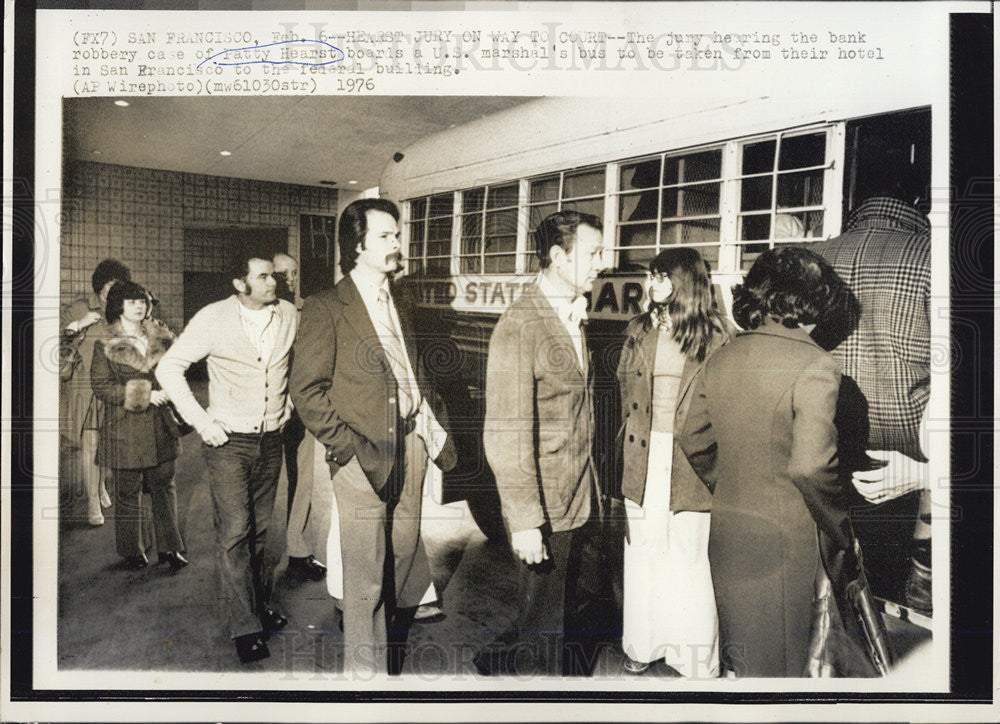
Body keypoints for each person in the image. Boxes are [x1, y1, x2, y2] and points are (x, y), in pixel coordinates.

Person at [289, 198, 457, 675]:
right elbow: (307, 391)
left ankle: (385, 649)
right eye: (386, 236)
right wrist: (345, 449)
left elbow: (410, 368)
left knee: (402, 555)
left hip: (411, 445)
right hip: (361, 454)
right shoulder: (326, 307)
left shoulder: (399, 301)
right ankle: (364, 681)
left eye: (397, 234)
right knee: (365, 575)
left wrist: (425, 423)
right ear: (357, 245)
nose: (398, 244)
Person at [678, 246, 856, 677]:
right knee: (784, 675)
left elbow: (691, 436)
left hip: (729, 534)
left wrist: (736, 483)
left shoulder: (723, 356)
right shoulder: (816, 364)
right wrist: (841, 526)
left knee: (746, 663)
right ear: (813, 302)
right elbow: (810, 467)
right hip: (788, 547)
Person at [476, 210, 606, 676]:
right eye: (592, 253)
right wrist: (526, 522)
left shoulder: (569, 312)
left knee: (563, 615)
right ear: (557, 256)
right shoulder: (521, 324)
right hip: (546, 506)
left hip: (575, 497)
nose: (600, 263)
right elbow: (506, 433)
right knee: (544, 627)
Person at [156, 248, 298, 664]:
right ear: (241, 284)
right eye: (264, 276)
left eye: (275, 276)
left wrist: (287, 406)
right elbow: (169, 369)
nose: (274, 283)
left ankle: (257, 606)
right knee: (235, 533)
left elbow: (297, 363)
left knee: (260, 533)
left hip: (271, 440)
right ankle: (245, 627)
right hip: (227, 444)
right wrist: (202, 422)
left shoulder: (288, 314)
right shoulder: (213, 317)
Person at [615, 248, 734, 677]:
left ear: (685, 281)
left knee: (688, 556)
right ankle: (643, 645)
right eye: (652, 275)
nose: (653, 283)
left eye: (662, 276)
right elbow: (624, 389)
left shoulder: (718, 336)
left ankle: (695, 660)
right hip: (643, 452)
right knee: (643, 552)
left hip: (692, 458)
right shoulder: (639, 329)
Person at [812, 196, 933, 615]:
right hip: (911, 454)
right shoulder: (931, 255)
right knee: (900, 596)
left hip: (828, 435)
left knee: (839, 573)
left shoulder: (814, 256)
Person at [89, 281, 187, 571]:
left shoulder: (162, 335)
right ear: (118, 305)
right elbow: (102, 386)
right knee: (128, 490)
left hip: (160, 425)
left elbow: (177, 369)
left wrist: (171, 388)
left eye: (143, 301)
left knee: (164, 485)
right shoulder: (104, 342)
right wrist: (146, 395)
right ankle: (133, 551)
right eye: (132, 301)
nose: (140, 306)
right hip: (125, 426)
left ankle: (170, 548)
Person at [61, 258, 131, 526]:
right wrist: (79, 325)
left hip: (111, 389)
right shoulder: (79, 307)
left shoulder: (120, 310)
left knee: (106, 446)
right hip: (85, 389)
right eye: (111, 285)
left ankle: (99, 485)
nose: (114, 291)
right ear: (100, 285)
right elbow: (52, 342)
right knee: (90, 445)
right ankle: (92, 501)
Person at [272, 252, 327, 582]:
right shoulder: (257, 314)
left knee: (303, 481)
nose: (288, 279)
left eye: (293, 273)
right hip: (266, 412)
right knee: (265, 486)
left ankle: (298, 549)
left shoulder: (306, 311)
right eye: (281, 274)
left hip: (300, 410)